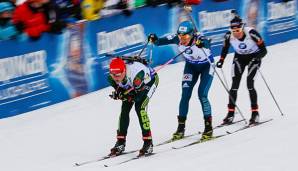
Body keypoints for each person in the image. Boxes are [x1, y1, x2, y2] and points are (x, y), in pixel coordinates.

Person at [148, 20, 214, 140]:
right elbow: (158, 42)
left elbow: (208, 43)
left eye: (186, 36)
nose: (183, 39)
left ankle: (208, 127)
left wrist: (201, 43)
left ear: (192, 34)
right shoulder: (177, 39)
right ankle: (181, 128)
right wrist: (154, 38)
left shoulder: (200, 38)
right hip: (191, 67)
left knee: (202, 94)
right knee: (185, 95)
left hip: (206, 66)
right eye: (180, 36)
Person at [216, 16, 267, 125]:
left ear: (242, 28)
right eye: (233, 31)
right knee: (234, 86)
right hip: (239, 58)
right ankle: (230, 114)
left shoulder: (252, 33)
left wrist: (256, 58)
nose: (236, 33)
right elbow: (225, 48)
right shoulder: (228, 35)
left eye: (238, 30)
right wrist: (221, 60)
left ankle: (255, 114)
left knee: (250, 84)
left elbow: (264, 50)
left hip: (254, 58)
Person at [108, 57, 159, 156]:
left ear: (124, 71)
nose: (116, 78)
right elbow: (120, 89)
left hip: (148, 82)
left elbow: (137, 97)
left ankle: (148, 142)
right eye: (113, 75)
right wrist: (119, 93)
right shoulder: (111, 78)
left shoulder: (136, 75)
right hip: (133, 86)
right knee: (124, 110)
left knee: (140, 108)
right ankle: (120, 142)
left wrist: (125, 95)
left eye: (118, 75)